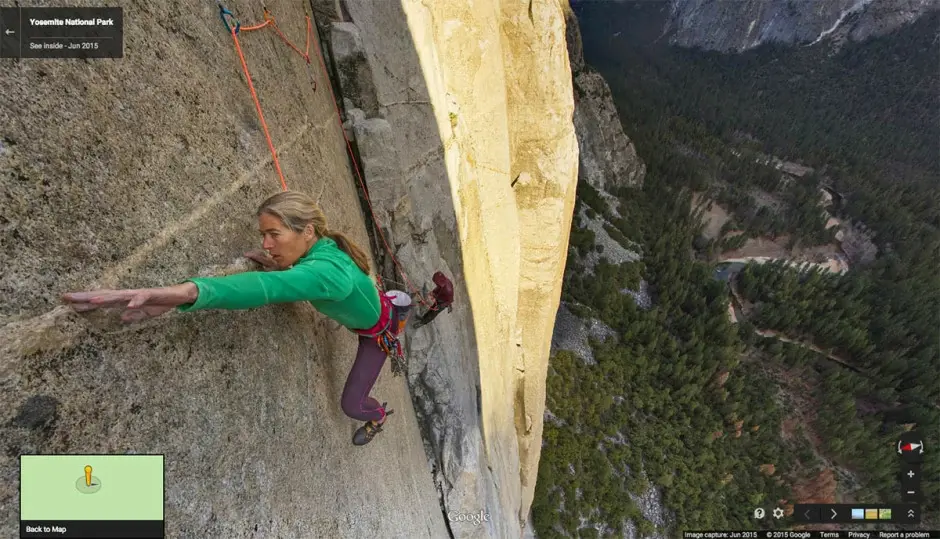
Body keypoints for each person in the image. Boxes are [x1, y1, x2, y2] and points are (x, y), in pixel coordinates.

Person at [61, 190, 402, 446]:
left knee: (352, 404)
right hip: (377, 308)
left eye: (274, 234)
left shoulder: (329, 274)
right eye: (263, 236)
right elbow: (297, 273)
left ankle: (379, 416)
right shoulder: (323, 247)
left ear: (307, 231)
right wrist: (287, 263)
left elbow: (264, 288)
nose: (266, 245)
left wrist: (184, 293)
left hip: (379, 332)